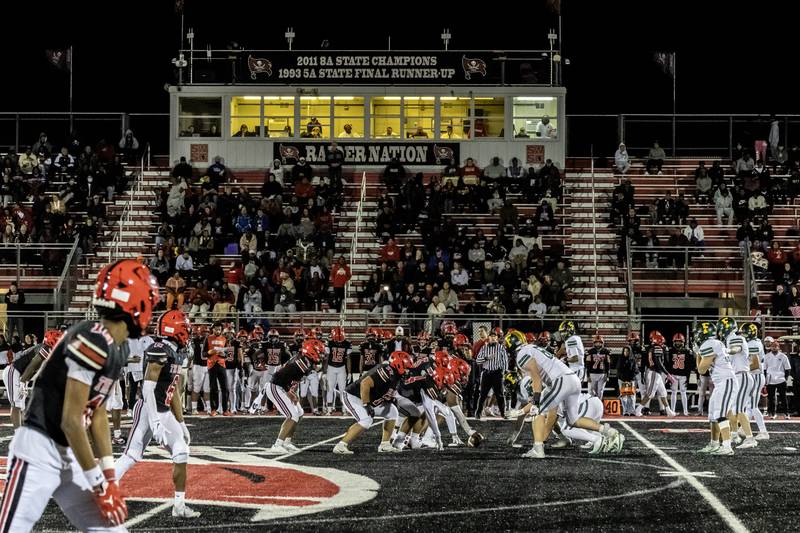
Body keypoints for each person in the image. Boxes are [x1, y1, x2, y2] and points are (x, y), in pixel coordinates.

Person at [0, 259, 159, 531]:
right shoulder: (93, 340)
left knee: (110, 529)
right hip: (39, 449)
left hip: (68, 452)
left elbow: (96, 414)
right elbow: (72, 420)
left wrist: (108, 476)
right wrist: (99, 483)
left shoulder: (116, 347)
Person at [115, 310, 200, 518]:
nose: (188, 333)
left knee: (181, 451)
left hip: (164, 409)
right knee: (131, 455)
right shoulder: (159, 348)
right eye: (185, 328)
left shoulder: (176, 352)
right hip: (147, 409)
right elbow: (147, 389)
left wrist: (181, 423)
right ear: (177, 330)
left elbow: (174, 392)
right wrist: (154, 421)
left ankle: (179, 506)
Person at [505, 330, 623, 459]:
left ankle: (538, 448)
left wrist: (534, 403)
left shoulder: (522, 354)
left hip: (561, 380)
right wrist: (522, 410)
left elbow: (537, 379)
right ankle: (609, 432)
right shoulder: (532, 348)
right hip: (571, 379)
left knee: (537, 410)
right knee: (573, 420)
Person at [332, 351, 413, 454]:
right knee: (366, 420)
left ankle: (385, 445)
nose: (408, 371)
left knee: (392, 412)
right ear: (398, 364)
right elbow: (365, 384)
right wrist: (366, 404)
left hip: (369, 399)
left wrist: (391, 399)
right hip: (354, 396)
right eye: (406, 368)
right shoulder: (386, 371)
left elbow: (385, 390)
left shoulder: (395, 374)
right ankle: (341, 446)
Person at [267, 339, 325, 452]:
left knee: (300, 413)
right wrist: (290, 392)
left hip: (283, 387)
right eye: (319, 352)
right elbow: (278, 378)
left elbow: (289, 379)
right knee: (292, 415)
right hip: (276, 387)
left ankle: (287, 442)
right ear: (312, 351)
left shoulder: (304, 361)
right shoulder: (300, 363)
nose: (321, 355)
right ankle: (277, 444)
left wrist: (291, 392)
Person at [3, 329, 63, 428]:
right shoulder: (46, 348)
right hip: (13, 371)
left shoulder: (44, 348)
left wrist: (25, 382)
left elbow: (34, 368)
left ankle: (20, 432)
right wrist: (23, 382)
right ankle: (18, 434)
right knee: (16, 404)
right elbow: (32, 366)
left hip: (20, 374)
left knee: (21, 406)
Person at [694, 321, 737, 455]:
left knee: (719, 414)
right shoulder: (715, 343)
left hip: (726, 381)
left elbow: (701, 369)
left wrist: (697, 354)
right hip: (721, 383)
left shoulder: (709, 344)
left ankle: (727, 446)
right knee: (713, 415)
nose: (696, 336)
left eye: (698, 333)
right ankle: (714, 444)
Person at [635, 331, 676, 417]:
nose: (662, 343)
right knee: (650, 393)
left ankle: (668, 411)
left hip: (655, 372)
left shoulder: (652, 348)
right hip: (655, 372)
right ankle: (638, 409)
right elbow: (659, 363)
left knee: (663, 392)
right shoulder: (657, 348)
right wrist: (667, 374)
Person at [740, 322, 769, 439]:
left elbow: (755, 364)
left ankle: (763, 431)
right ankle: (743, 428)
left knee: (752, 406)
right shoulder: (754, 342)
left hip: (756, 376)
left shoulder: (753, 344)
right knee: (749, 404)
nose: (742, 335)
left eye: (744, 333)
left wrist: (743, 369)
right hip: (755, 375)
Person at [474, 329, 508, 420]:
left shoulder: (501, 348)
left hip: (497, 373)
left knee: (500, 395)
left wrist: (503, 373)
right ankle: (478, 413)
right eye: (491, 336)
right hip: (487, 373)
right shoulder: (484, 348)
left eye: (494, 336)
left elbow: (505, 361)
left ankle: (503, 413)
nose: (493, 338)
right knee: (483, 395)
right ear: (488, 338)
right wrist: (486, 358)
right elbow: (478, 360)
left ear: (497, 338)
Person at [204, 322, 231, 416]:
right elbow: (203, 354)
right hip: (211, 365)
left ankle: (225, 410)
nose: (217, 331)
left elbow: (228, 354)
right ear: (213, 329)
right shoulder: (208, 338)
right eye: (215, 329)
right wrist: (209, 352)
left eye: (219, 329)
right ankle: (213, 409)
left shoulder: (224, 339)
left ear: (221, 330)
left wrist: (224, 355)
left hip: (221, 365)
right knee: (213, 388)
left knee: (225, 388)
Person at [324, 327, 351, 415]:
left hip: (342, 368)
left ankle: (344, 409)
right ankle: (329, 409)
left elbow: (348, 359)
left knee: (343, 390)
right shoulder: (329, 343)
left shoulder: (347, 343)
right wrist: (325, 371)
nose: (339, 342)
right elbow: (327, 358)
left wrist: (349, 372)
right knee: (330, 389)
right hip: (331, 368)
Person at [764, 339, 791, 419]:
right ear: (770, 348)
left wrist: (785, 378)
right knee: (771, 398)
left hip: (781, 379)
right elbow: (765, 369)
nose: (774, 348)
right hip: (770, 379)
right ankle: (772, 413)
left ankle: (786, 413)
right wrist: (765, 380)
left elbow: (787, 369)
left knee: (783, 397)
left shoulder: (783, 356)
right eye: (772, 347)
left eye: (775, 346)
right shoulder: (767, 356)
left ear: (778, 347)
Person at [668, 333, 692, 416]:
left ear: (683, 342)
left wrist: (688, 376)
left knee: (683, 392)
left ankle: (685, 411)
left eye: (679, 341)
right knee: (674, 392)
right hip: (674, 374)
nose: (678, 343)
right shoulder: (671, 351)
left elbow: (689, 365)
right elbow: (668, 363)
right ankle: (672, 411)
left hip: (683, 374)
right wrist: (669, 374)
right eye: (676, 341)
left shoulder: (687, 351)